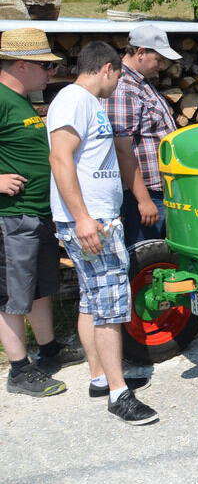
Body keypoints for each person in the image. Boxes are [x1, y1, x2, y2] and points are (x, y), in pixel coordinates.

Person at [48, 41, 157, 425]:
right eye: (117, 77)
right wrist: (81, 218)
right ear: (108, 68)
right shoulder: (73, 100)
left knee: (93, 301)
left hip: (96, 218)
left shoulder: (87, 103)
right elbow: (60, 158)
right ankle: (118, 392)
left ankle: (99, 378)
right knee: (111, 305)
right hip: (91, 221)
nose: (117, 84)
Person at [0, 28, 86, 397]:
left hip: (35, 212)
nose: (51, 74)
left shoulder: (20, 99)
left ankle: (49, 349)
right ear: (21, 65)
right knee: (11, 295)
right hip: (12, 216)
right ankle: (19, 370)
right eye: (44, 67)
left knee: (37, 289)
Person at [105, 24, 181, 248]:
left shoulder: (141, 82)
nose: (163, 66)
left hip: (159, 189)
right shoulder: (124, 88)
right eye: (158, 59)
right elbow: (121, 148)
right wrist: (143, 200)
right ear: (140, 52)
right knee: (145, 258)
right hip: (145, 193)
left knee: (160, 255)